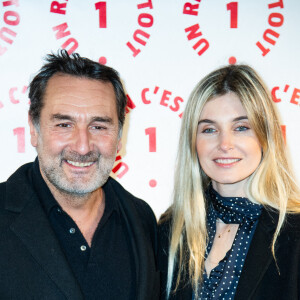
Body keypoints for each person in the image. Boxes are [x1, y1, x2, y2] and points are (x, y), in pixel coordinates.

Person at [0, 50, 159, 300]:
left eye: (98, 126)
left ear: (119, 137)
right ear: (33, 129)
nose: (83, 147)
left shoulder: (143, 220)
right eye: (64, 125)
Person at [158, 64, 300, 300]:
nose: (225, 144)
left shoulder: (294, 233)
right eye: (209, 129)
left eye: (241, 127)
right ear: (193, 142)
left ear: (266, 137)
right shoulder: (171, 229)